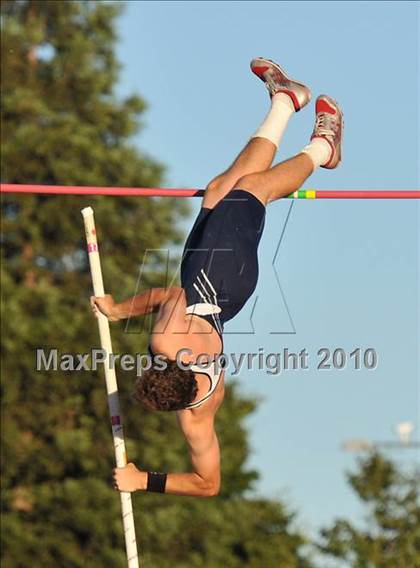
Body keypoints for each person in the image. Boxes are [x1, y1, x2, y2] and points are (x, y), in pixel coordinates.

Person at [91, 57, 343, 497]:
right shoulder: (166, 344)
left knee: (220, 188)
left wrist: (144, 482)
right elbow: (166, 295)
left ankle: (286, 100)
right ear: (163, 365)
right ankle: (325, 147)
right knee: (253, 191)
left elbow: (209, 485)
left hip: (216, 286)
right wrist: (116, 310)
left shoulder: (199, 411)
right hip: (219, 275)